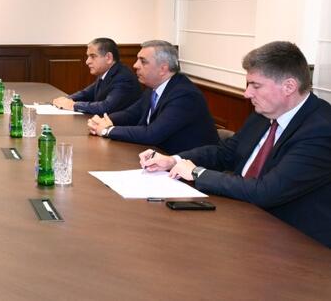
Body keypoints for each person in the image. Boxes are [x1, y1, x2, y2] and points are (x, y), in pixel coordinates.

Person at [141, 41, 331, 247]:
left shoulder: (320, 129)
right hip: (244, 218)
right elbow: (225, 153)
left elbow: (267, 191)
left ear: (289, 87)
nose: (246, 94)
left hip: (295, 241)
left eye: (255, 86)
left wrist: (197, 173)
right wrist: (174, 160)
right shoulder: (263, 114)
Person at [87, 40, 218, 154]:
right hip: (159, 157)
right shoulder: (154, 87)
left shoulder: (185, 95)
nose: (135, 65)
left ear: (163, 69)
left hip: (187, 166)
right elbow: (131, 114)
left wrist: (107, 131)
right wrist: (106, 121)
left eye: (143, 61)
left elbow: (152, 134)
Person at [52, 37, 140, 114]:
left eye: (93, 56)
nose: (87, 62)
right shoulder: (106, 73)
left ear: (108, 58)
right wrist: (65, 99)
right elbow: (86, 94)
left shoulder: (124, 78)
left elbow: (106, 107)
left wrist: (73, 105)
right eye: (88, 56)